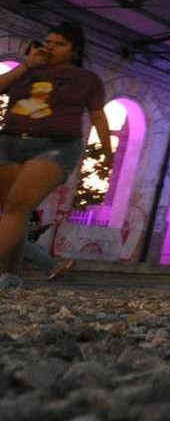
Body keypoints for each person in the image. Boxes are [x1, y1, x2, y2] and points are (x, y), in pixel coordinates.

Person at [0, 23, 113, 291]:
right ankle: (11, 275)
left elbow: (97, 114)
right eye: (48, 42)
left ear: (74, 50)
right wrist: (27, 66)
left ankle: (12, 274)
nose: (50, 47)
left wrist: (107, 150)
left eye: (59, 44)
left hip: (56, 144)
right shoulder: (27, 70)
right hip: (10, 141)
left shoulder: (86, 79)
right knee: (12, 211)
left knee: (17, 206)